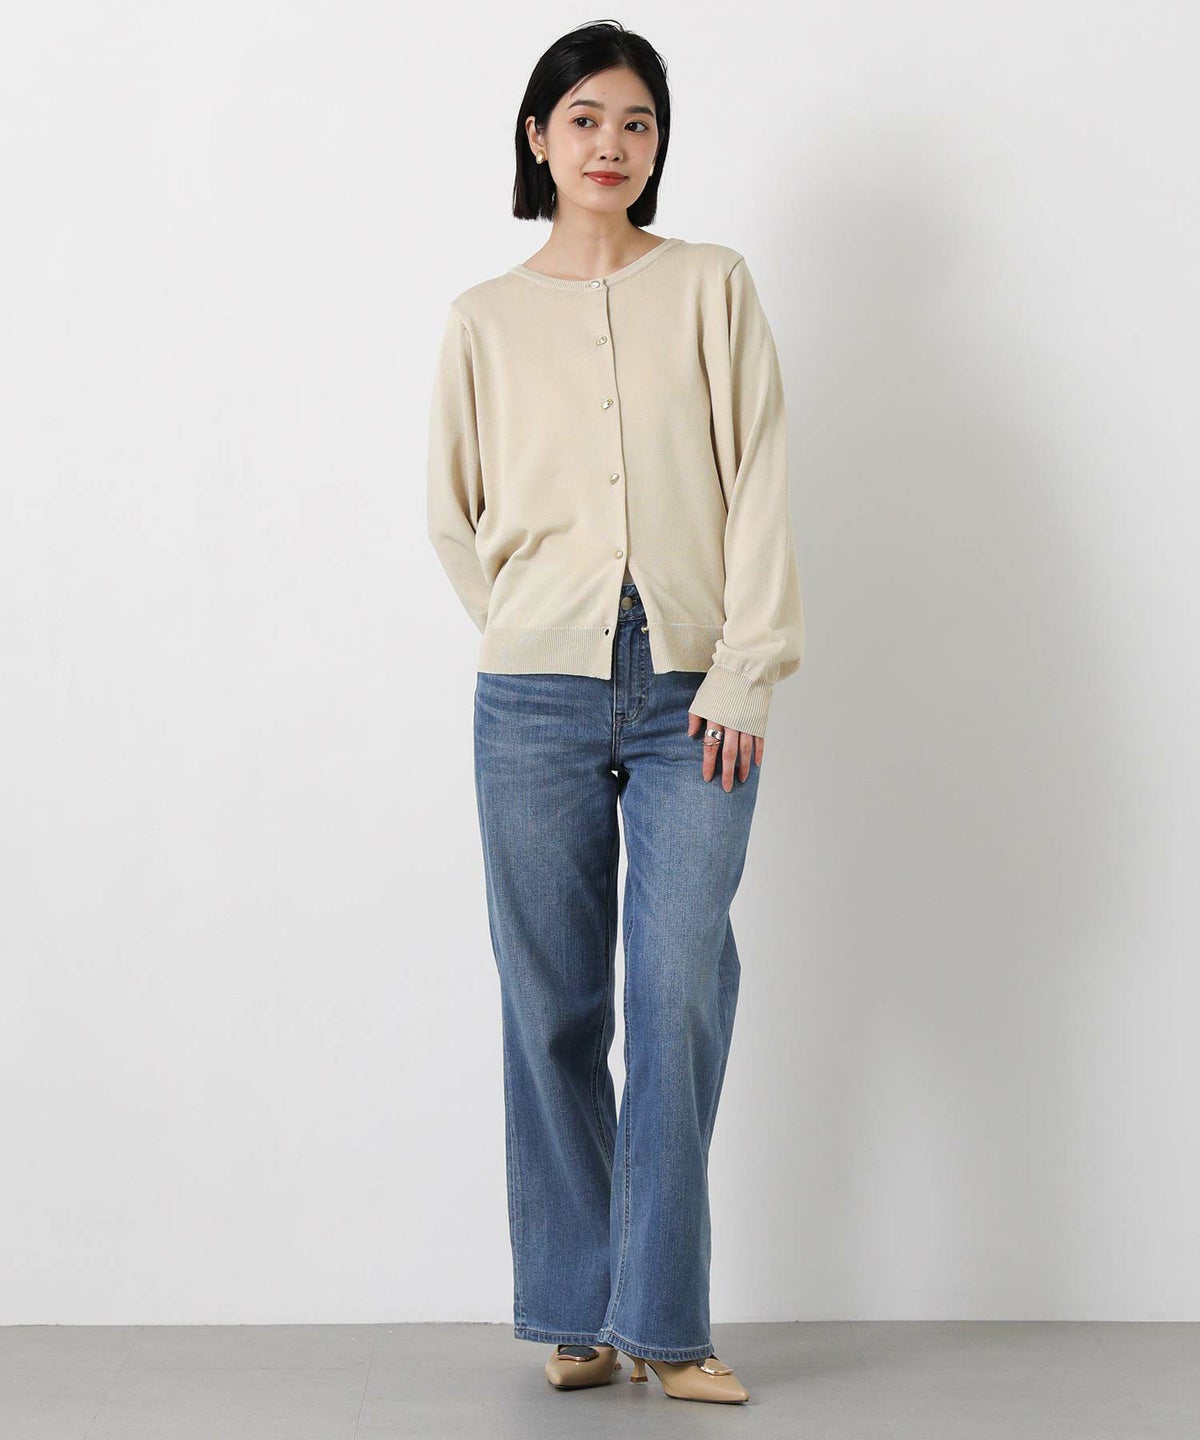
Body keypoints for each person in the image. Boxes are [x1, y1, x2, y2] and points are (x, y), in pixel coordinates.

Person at [426, 19, 805, 1407]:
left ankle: (668, 1320)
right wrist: (532, 625)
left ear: (657, 146)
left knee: (680, 991)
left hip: (698, 690)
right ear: (538, 137)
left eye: (636, 122)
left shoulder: (711, 285)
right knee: (551, 1006)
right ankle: (581, 1309)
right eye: (584, 118)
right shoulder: (483, 317)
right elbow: (453, 514)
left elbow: (759, 473)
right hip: (532, 694)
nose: (610, 144)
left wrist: (750, 663)